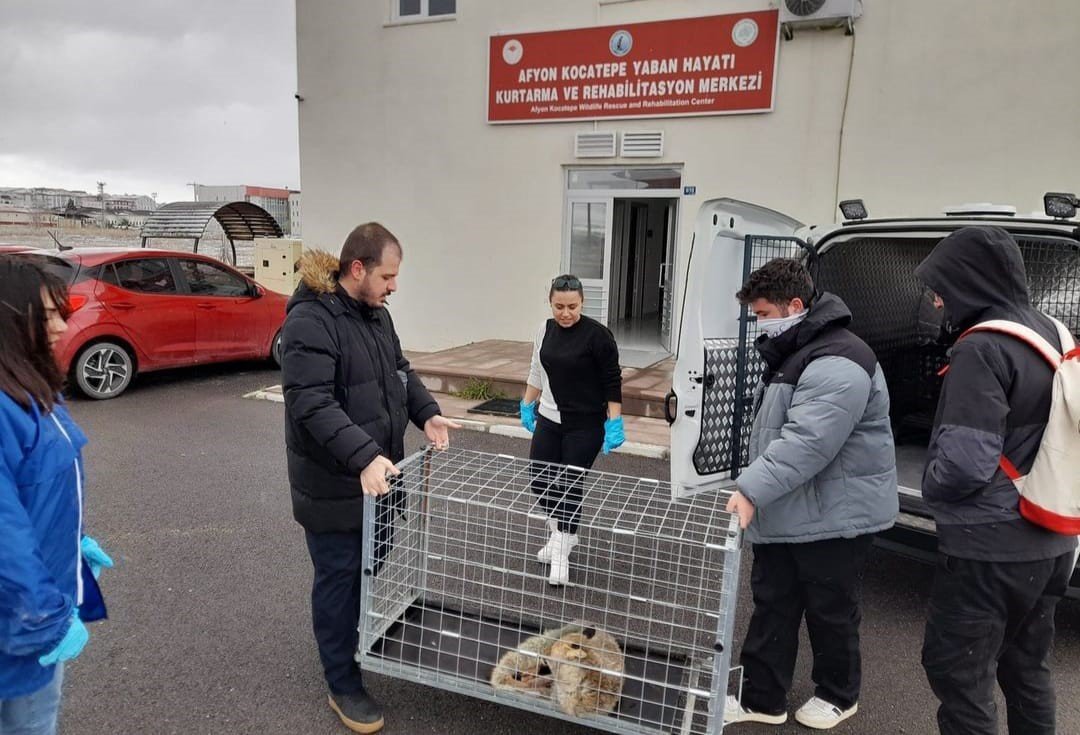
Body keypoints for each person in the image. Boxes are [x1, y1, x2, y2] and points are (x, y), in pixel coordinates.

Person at [281, 223, 460, 734]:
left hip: (379, 479)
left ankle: (350, 638)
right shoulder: (311, 321)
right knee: (339, 579)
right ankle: (342, 682)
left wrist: (426, 413)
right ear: (356, 269)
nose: (394, 286)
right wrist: (363, 455)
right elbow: (310, 402)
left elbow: (399, 372)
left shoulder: (376, 315)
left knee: (367, 568)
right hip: (336, 484)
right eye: (388, 275)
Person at [914, 226, 1078, 735]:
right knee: (1027, 668)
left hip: (989, 547)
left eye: (940, 287)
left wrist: (931, 488)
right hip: (1052, 537)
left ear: (966, 282)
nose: (937, 300)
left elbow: (963, 464)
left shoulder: (981, 347)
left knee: (959, 674)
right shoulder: (1054, 331)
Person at [723, 258, 898, 730]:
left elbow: (808, 442)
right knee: (774, 602)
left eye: (763, 314)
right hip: (792, 506)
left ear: (794, 306)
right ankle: (763, 697)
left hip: (834, 513)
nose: (760, 324)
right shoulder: (802, 350)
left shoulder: (839, 358)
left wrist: (751, 489)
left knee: (831, 609)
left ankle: (840, 695)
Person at [0, 256, 114, 735]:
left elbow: (43, 487)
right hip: (19, 618)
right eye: (45, 315)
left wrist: (76, 538)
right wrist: (44, 618)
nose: (60, 325)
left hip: (39, 591)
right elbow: (4, 528)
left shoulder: (33, 388)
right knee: (29, 723)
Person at [519, 274, 624, 586]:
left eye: (572, 306)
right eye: (559, 306)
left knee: (568, 485)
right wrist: (527, 404)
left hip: (585, 423)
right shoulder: (544, 330)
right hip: (549, 418)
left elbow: (611, 381)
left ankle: (561, 551)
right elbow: (536, 369)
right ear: (550, 302)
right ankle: (562, 534)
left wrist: (614, 421)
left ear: (582, 303)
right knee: (539, 480)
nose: (565, 313)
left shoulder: (598, 336)